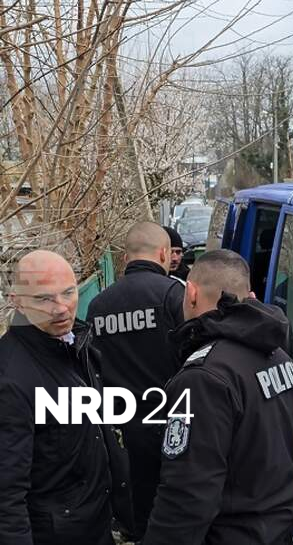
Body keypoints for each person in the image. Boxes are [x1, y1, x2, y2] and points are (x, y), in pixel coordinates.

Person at [143, 249, 293, 545]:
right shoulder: (279, 356)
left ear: (191, 294)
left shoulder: (203, 377)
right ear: (251, 297)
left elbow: (187, 495)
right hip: (279, 530)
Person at [0, 250, 131, 545]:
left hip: (96, 525)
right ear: (16, 300)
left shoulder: (76, 344)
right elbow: (6, 493)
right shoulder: (10, 379)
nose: (60, 308)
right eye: (44, 299)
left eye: (69, 292)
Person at [86, 221, 185, 540]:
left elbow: (93, 367)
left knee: (140, 510)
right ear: (163, 253)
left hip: (124, 431)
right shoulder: (174, 295)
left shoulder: (98, 306)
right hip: (174, 422)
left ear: (125, 258)